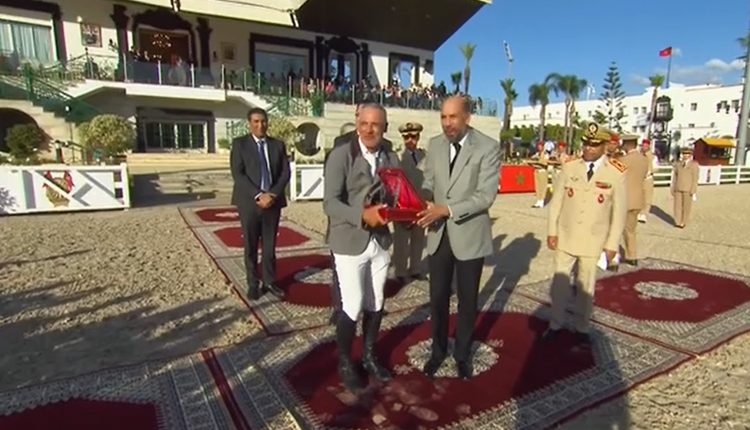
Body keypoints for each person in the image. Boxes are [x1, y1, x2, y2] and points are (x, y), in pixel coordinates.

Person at [417, 96, 501, 380]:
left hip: (469, 235)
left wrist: (447, 209)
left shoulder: (488, 147)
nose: (447, 123)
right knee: (438, 297)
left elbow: (485, 196)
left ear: (467, 117)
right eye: (443, 117)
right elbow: (429, 182)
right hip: (438, 234)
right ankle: (438, 351)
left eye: (453, 117)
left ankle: (462, 355)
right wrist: (423, 200)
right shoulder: (435, 145)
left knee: (467, 300)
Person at [323, 103, 399, 393]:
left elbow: (395, 195)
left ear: (384, 128)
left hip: (379, 240)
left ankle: (368, 356)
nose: (369, 129)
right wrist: (362, 215)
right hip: (349, 240)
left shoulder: (390, 156)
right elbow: (330, 203)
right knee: (352, 304)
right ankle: (345, 362)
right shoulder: (341, 155)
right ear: (357, 124)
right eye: (364, 123)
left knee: (376, 301)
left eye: (375, 124)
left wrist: (402, 209)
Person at [542, 123, 627, 343]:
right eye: (586, 143)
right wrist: (552, 231)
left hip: (593, 240)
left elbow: (619, 213)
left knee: (586, 287)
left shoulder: (616, 172)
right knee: (559, 285)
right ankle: (555, 325)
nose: (589, 148)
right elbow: (556, 202)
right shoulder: (570, 167)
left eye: (594, 145)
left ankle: (582, 328)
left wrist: (612, 244)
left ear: (605, 146)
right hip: (566, 236)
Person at [230, 108, 291, 301]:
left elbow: (285, 173)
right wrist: (258, 195)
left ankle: (269, 281)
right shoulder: (240, 144)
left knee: (269, 246)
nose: (260, 125)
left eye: (263, 121)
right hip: (249, 203)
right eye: (256, 121)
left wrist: (272, 194)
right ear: (249, 123)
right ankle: (252, 283)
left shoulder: (277, 145)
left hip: (272, 202)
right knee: (251, 245)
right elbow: (238, 174)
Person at [393, 122, 427, 282]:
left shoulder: (424, 156)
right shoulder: (397, 156)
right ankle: (400, 271)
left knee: (418, 239)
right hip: (402, 204)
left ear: (418, 137)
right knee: (401, 241)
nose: (410, 140)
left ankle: (415, 269)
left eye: (413, 136)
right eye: (406, 137)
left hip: (420, 203)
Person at [619, 135, 648, 266]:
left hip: (624, 198)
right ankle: (632, 255)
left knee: (621, 229)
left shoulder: (623, 160)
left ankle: (623, 256)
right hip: (637, 198)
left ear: (626, 145)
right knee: (631, 229)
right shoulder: (644, 159)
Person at [671, 146, 700, 228]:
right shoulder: (678, 164)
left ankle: (684, 221)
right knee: (677, 206)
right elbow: (675, 177)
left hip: (688, 188)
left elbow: (695, 178)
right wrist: (673, 187)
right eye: (684, 153)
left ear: (690, 155)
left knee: (686, 206)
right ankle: (677, 221)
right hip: (678, 187)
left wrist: (693, 189)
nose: (685, 155)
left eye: (687, 154)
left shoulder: (694, 164)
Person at [638, 139, 658, 223]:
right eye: (643, 145)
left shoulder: (653, 157)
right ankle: (639, 212)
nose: (644, 147)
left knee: (647, 197)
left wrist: (650, 171)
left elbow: (656, 168)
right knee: (639, 196)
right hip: (639, 178)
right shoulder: (638, 155)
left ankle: (644, 214)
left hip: (648, 178)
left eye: (646, 146)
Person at [530, 141, 550, 208]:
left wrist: (539, 162)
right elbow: (532, 158)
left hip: (542, 171)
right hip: (537, 171)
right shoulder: (537, 153)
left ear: (543, 147)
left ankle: (541, 201)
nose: (539, 147)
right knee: (537, 186)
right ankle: (538, 200)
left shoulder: (546, 154)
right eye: (538, 146)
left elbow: (546, 162)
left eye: (540, 146)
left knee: (542, 186)